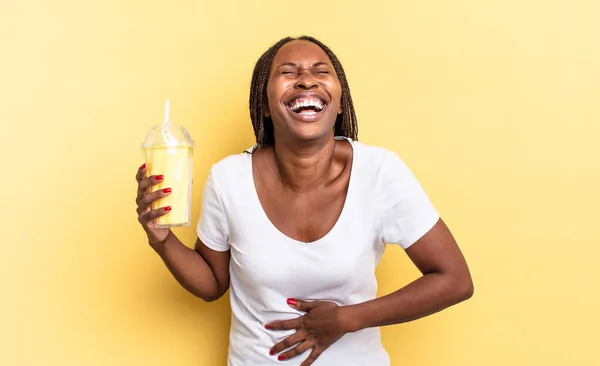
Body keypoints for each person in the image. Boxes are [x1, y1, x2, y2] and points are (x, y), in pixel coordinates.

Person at [135, 35, 474, 366]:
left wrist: (347, 319)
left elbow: (454, 279)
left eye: (321, 71)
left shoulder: (380, 172)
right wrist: (161, 240)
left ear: (339, 102)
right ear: (265, 106)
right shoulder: (228, 179)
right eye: (288, 72)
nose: (306, 81)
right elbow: (212, 283)